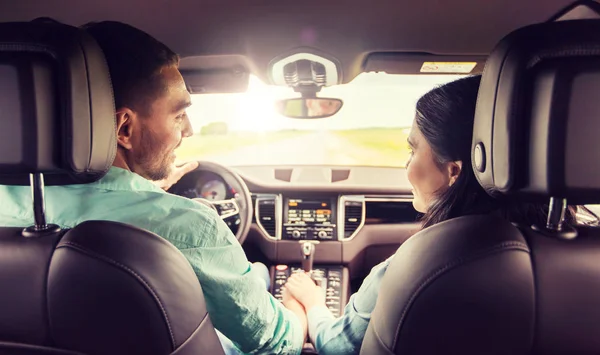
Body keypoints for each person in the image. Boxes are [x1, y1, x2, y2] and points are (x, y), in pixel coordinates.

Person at [0, 21, 306, 355]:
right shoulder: (186, 227)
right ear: (124, 129)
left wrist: (143, 190)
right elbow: (276, 345)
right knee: (262, 276)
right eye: (178, 115)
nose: (188, 130)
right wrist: (301, 307)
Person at [282, 75, 577, 354]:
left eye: (413, 151)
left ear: (454, 171)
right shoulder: (578, 254)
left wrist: (313, 303)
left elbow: (337, 347)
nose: (407, 166)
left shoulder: (417, 266)